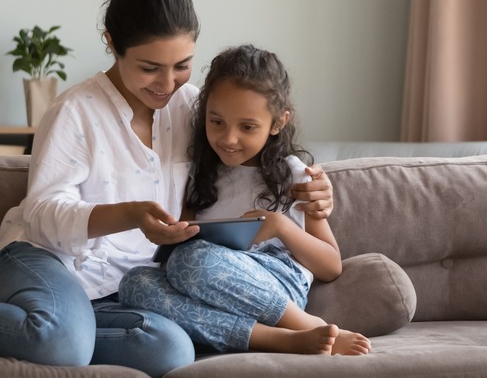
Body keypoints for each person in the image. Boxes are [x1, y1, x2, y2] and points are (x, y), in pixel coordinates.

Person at [0, 0, 335, 377]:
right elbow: (44, 212)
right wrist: (127, 214)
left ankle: (3, 334)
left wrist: (317, 193)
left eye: (182, 64)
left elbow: (254, 138)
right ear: (111, 43)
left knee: (171, 349)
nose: (168, 83)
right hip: (41, 258)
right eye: (149, 67)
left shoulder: (192, 107)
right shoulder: (74, 112)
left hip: (120, 289)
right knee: (62, 343)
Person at [119, 44, 371, 356]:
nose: (228, 138)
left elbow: (331, 266)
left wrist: (281, 227)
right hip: (209, 281)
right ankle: (273, 339)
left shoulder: (296, 176)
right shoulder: (202, 173)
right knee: (135, 284)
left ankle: (304, 325)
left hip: (276, 286)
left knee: (192, 259)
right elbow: (180, 251)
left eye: (247, 127)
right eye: (217, 122)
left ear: (278, 123)